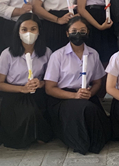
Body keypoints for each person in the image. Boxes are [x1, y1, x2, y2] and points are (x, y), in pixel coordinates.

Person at [44, 16, 111, 154]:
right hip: (63, 98)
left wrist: (90, 93)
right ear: (67, 33)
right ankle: (82, 142)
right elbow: (49, 88)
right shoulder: (58, 56)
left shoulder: (93, 54)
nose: (78, 34)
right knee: (86, 109)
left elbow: (97, 82)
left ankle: (95, 140)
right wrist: (75, 96)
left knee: (103, 123)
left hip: (86, 95)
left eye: (82, 31)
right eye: (74, 31)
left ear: (87, 33)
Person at [0, 13, 53, 148]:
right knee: (27, 115)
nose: (29, 33)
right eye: (24, 29)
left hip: (37, 92)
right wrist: (22, 88)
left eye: (33, 29)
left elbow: (50, 79)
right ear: (18, 31)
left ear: (39, 31)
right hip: (15, 94)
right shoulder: (7, 54)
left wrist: (40, 83)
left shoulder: (46, 52)